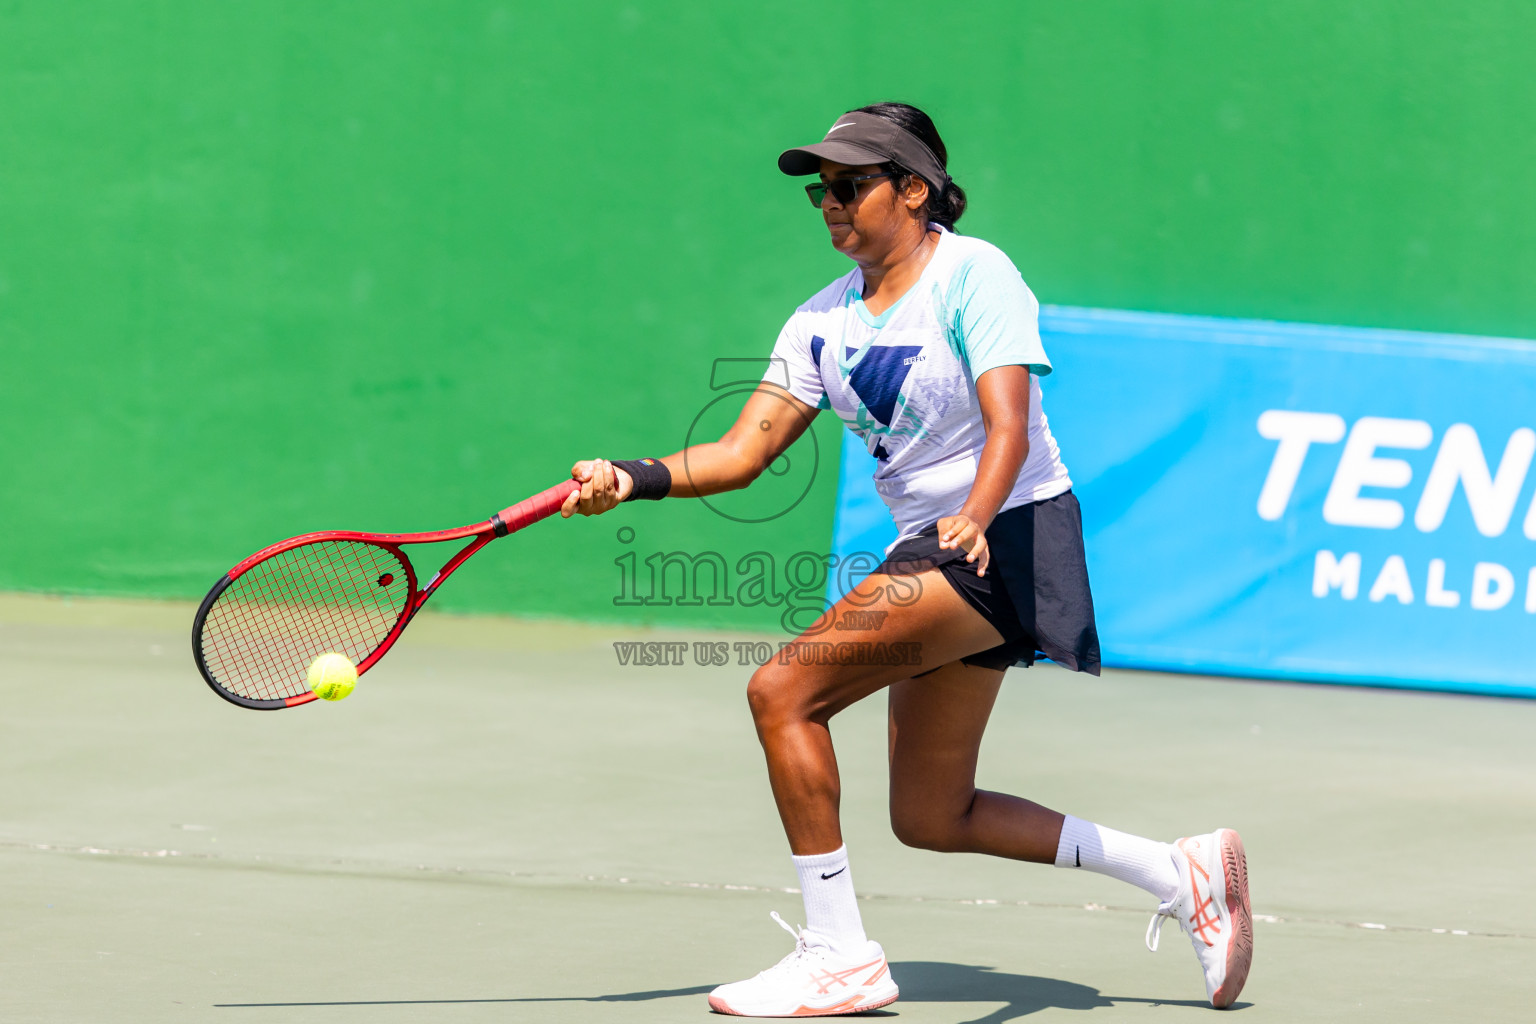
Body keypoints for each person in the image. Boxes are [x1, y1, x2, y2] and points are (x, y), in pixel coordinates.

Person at [559, 102, 1252, 1016]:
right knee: (932, 814)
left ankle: (840, 955)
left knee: (782, 691)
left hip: (1001, 534)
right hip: (934, 545)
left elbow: (1008, 422)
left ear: (915, 190)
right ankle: (1178, 870)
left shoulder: (974, 273)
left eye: (850, 185)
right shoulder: (820, 320)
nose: (829, 204)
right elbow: (740, 452)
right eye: (820, 190)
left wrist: (971, 513)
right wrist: (632, 475)